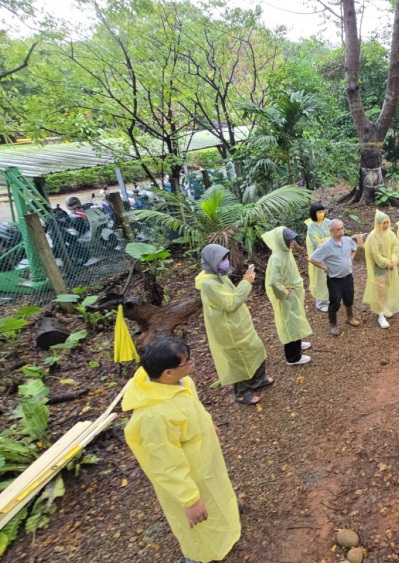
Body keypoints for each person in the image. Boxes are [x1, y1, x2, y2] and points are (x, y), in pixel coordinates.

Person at [122, 337, 241, 563]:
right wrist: (190, 500)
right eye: (187, 362)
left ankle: (228, 513)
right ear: (167, 373)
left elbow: (192, 406)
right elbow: (166, 465)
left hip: (204, 459)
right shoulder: (153, 417)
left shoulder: (178, 382)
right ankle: (197, 556)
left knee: (217, 491)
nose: (192, 363)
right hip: (190, 472)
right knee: (199, 522)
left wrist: (208, 422)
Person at [194, 244, 271, 405]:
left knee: (255, 349)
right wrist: (246, 282)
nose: (225, 262)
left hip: (239, 325)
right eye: (221, 259)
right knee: (239, 360)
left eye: (225, 258)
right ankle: (242, 393)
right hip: (229, 330)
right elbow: (230, 303)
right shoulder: (209, 284)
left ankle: (258, 380)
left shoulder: (220, 277)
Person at [262, 226, 313, 365]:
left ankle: (298, 341)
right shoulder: (277, 257)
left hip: (293, 294)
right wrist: (284, 292)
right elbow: (273, 281)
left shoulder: (286, 252)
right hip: (286, 297)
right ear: (281, 241)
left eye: (293, 239)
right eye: (290, 240)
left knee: (295, 319)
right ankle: (293, 357)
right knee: (288, 323)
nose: (292, 242)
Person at [308, 219, 361, 336]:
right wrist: (325, 268)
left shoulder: (347, 240)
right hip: (334, 279)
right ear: (331, 231)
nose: (341, 231)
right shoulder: (326, 246)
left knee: (349, 298)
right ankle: (333, 324)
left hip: (348, 276)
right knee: (335, 301)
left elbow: (354, 248)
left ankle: (350, 317)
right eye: (338, 229)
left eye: (342, 228)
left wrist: (351, 258)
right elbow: (312, 259)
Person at [363, 210, 399, 329]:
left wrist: (394, 260)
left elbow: (396, 246)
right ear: (378, 223)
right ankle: (380, 315)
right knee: (380, 290)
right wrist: (385, 263)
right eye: (383, 223)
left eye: (387, 222)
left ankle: (384, 307)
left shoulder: (390, 233)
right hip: (379, 268)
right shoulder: (372, 237)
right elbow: (375, 254)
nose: (385, 225)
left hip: (390, 266)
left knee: (387, 287)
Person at [304, 202, 332, 312]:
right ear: (314, 213)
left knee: (331, 276)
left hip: (330, 253)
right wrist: (327, 241)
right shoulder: (311, 226)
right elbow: (316, 242)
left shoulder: (328, 222)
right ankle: (321, 302)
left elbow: (333, 235)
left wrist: (327, 241)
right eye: (319, 212)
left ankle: (331, 298)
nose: (321, 214)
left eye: (322, 211)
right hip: (319, 255)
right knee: (320, 278)